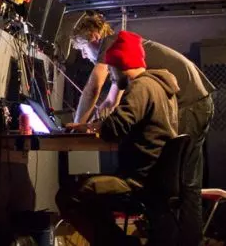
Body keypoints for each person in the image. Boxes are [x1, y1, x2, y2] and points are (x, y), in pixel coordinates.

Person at [69, 10, 216, 245]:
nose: (86, 58)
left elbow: (93, 88)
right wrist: (93, 121)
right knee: (184, 182)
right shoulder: (125, 56)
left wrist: (76, 125)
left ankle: (188, 240)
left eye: (84, 51)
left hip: (192, 101)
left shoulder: (113, 45)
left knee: (183, 182)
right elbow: (111, 100)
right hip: (197, 97)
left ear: (95, 37)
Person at [56, 31, 180, 246]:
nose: (111, 76)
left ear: (121, 64)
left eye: (112, 69)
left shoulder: (141, 87)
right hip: (154, 177)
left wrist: (87, 126)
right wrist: (92, 125)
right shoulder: (159, 86)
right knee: (89, 191)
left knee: (70, 196)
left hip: (137, 181)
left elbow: (114, 128)